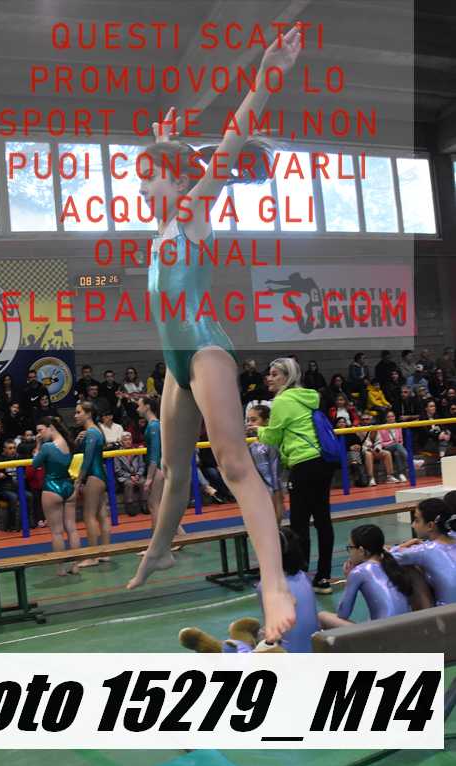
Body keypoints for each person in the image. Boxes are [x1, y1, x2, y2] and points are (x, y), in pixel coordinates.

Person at [128, 24, 302, 642]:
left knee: (233, 463)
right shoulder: (160, 231)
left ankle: (274, 584)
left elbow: (233, 136)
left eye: (148, 177)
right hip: (175, 362)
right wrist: (163, 139)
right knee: (173, 469)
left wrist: (270, 70)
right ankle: (159, 549)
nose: (139, 188)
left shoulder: (193, 211)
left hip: (205, 349)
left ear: (177, 182)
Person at [258, 357, 335, 595]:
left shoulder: (282, 401)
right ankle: (323, 577)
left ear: (287, 377)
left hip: (303, 463)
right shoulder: (308, 397)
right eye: (269, 374)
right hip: (322, 462)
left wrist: (257, 430)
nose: (269, 378)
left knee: (300, 523)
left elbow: (272, 436)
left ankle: (299, 576)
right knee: (322, 520)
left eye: (275, 374)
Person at [319, 524, 412, 629]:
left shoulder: (358, 572)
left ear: (361, 551)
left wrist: (349, 579)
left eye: (350, 548)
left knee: (322, 616)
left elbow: (343, 613)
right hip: (406, 629)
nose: (349, 552)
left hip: (383, 634)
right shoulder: (391, 563)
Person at [256, 527, 319, 653]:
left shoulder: (265, 586)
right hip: (315, 649)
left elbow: (273, 631)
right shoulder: (305, 577)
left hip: (289, 654)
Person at [33, 417, 80, 576]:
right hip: (68, 487)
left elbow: (35, 464)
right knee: (72, 529)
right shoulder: (69, 443)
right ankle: (75, 565)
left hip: (52, 488)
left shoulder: (47, 447)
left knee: (57, 532)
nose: (39, 434)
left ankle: (61, 568)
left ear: (50, 427)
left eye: (40, 430)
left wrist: (38, 445)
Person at [135, 395, 185, 542]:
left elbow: (155, 454)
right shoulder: (154, 425)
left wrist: (149, 478)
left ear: (147, 406)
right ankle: (182, 537)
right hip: (160, 468)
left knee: (154, 505)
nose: (137, 409)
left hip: (157, 469)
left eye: (139, 405)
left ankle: (156, 544)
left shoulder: (153, 426)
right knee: (164, 507)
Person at [391, 498, 456, 605]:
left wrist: (401, 546)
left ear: (430, 525)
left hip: (447, 612)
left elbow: (383, 558)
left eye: (417, 520)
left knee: (409, 569)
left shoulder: (425, 550)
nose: (413, 525)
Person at [73, 401, 111, 567]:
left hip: (93, 477)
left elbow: (87, 459)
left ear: (88, 414)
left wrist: (78, 479)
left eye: (78, 412)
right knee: (102, 514)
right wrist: (79, 440)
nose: (75, 415)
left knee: (89, 516)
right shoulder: (95, 431)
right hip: (100, 475)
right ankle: (106, 552)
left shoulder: (91, 432)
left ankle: (92, 556)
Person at [246, 404, 283, 524]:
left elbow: (275, 473)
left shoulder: (270, 443)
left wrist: (276, 493)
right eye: (248, 420)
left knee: (272, 520)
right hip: (257, 489)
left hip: (271, 489)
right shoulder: (251, 443)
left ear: (266, 421)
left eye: (254, 420)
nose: (249, 423)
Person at [0, 439, 34, 531]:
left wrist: (24, 475)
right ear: (4, 449)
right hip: (4, 488)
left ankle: (28, 522)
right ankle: (12, 526)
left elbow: (27, 468)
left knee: (29, 496)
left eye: (14, 448)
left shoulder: (19, 458)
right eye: (10, 448)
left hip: (18, 487)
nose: (13, 450)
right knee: (13, 497)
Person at [360, 414, 399, 486]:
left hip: (374, 449)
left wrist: (377, 449)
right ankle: (371, 478)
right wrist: (368, 449)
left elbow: (378, 441)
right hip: (364, 451)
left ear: (370, 420)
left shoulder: (374, 428)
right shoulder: (357, 430)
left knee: (387, 453)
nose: (365, 421)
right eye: (363, 419)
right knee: (369, 454)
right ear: (361, 421)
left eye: (367, 419)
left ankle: (390, 476)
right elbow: (359, 444)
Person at [114, 431, 147, 516]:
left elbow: (142, 466)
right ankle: (130, 505)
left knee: (143, 482)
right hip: (125, 476)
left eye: (129, 439)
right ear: (121, 442)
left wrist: (138, 475)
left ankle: (144, 503)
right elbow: (118, 470)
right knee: (129, 483)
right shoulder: (117, 453)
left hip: (137, 475)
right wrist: (130, 476)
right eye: (125, 440)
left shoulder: (137, 451)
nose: (128, 441)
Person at [335, 417, 369, 487]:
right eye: (339, 422)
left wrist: (358, 446)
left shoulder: (350, 431)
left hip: (354, 453)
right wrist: (349, 448)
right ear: (336, 424)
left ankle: (360, 478)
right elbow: (336, 447)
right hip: (341, 454)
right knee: (353, 456)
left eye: (343, 422)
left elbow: (357, 441)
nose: (342, 424)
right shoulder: (334, 433)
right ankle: (362, 480)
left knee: (356, 455)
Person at [378, 410, 408, 482]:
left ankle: (400, 474)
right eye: (389, 417)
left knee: (397, 453)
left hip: (397, 448)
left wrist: (398, 444)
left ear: (394, 417)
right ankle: (410, 460)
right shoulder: (382, 428)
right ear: (386, 418)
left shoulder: (398, 426)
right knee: (397, 445)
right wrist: (392, 443)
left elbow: (401, 440)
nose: (391, 418)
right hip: (387, 448)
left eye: (392, 416)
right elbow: (381, 443)